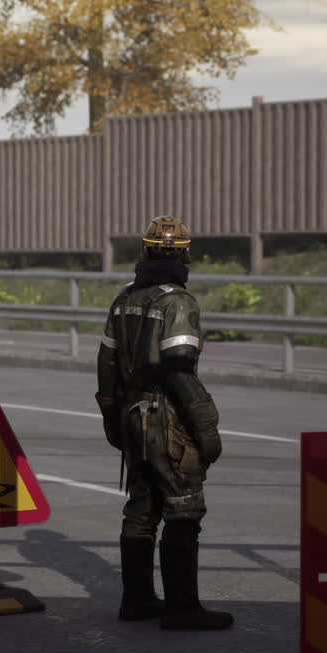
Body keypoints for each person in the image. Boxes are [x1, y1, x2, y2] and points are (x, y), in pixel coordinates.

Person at [96, 215, 233, 630]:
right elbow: (179, 371)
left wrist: (112, 418)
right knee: (183, 506)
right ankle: (182, 609)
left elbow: (107, 363)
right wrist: (206, 427)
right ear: (184, 253)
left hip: (131, 415)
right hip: (165, 419)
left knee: (141, 508)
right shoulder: (178, 302)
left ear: (145, 250)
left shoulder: (125, 296)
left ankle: (136, 602)